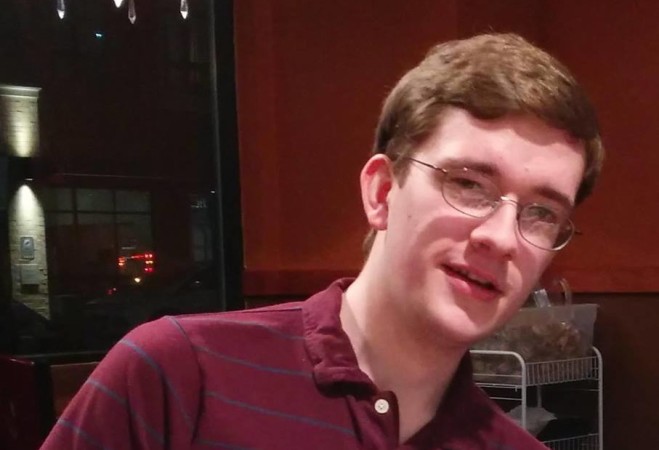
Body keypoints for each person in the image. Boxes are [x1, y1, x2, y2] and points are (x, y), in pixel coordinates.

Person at [40, 32, 604, 450]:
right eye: (469, 185)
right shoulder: (181, 375)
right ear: (381, 192)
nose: (501, 237)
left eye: (541, 213)